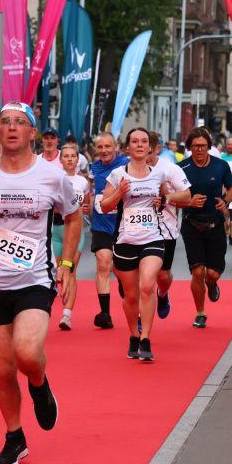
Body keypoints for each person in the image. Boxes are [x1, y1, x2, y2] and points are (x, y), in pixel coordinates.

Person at [0, 101, 80, 464]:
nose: (10, 127)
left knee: (26, 353)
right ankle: (14, 436)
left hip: (33, 278)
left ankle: (39, 384)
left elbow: (73, 218)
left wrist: (67, 264)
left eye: (19, 122)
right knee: (3, 368)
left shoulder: (52, 176)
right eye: (5, 121)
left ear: (31, 132)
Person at [99, 128, 191, 361]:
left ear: (150, 147)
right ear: (127, 147)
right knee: (131, 296)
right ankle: (133, 335)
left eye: (144, 141)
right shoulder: (117, 174)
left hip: (153, 238)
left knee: (147, 285)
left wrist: (164, 200)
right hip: (125, 240)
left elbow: (170, 198)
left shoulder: (158, 175)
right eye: (135, 141)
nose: (139, 145)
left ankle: (146, 339)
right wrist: (119, 193)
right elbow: (105, 207)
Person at [179, 128, 232, 329]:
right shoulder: (181, 168)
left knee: (211, 274)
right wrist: (188, 202)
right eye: (195, 146)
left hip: (215, 224)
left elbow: (231, 188)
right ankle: (200, 313)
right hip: (191, 224)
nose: (199, 150)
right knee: (197, 272)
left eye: (203, 146)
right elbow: (172, 196)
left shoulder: (221, 166)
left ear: (209, 147)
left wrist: (225, 201)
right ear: (189, 147)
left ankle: (211, 284)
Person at [146, 131, 190, 319]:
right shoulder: (128, 169)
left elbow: (187, 196)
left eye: (148, 150)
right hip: (138, 230)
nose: (144, 155)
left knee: (162, 275)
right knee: (143, 278)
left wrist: (168, 197)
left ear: (157, 149)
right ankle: (140, 316)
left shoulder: (171, 169)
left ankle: (162, 294)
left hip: (165, 229)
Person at [88, 132, 128, 329]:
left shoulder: (126, 164)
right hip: (101, 224)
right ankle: (105, 313)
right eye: (100, 147)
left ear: (115, 147)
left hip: (123, 225)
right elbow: (92, 191)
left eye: (107, 146)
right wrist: (88, 204)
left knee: (121, 269)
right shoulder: (94, 168)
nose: (104, 150)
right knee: (103, 262)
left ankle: (122, 280)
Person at [52, 144, 91, 330]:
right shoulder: (55, 179)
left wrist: (86, 209)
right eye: (65, 156)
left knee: (71, 271)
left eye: (72, 156)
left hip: (76, 232)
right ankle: (60, 298)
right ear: (60, 160)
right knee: (59, 272)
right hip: (57, 231)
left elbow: (87, 205)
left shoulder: (83, 182)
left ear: (78, 160)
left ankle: (66, 315)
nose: (69, 159)